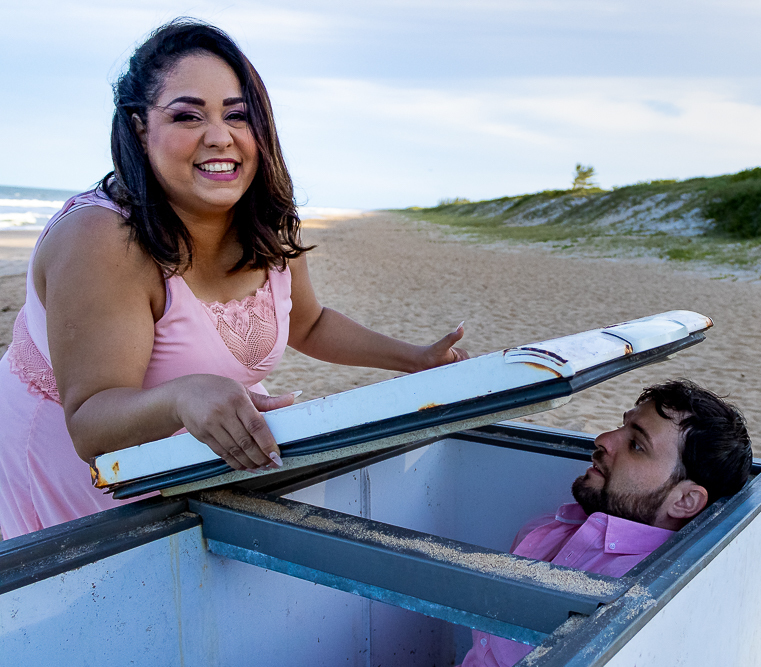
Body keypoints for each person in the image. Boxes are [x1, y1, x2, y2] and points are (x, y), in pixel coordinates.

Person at [0, 20, 468, 540]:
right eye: (187, 115)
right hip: (71, 467)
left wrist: (417, 359)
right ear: (138, 128)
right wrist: (184, 396)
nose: (219, 136)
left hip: (204, 444)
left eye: (237, 115)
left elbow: (307, 323)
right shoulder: (101, 240)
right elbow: (90, 425)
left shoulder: (265, 218)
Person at [460, 379, 752, 667]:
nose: (603, 439)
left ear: (684, 501)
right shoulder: (556, 525)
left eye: (636, 445)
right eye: (620, 425)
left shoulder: (636, 596)